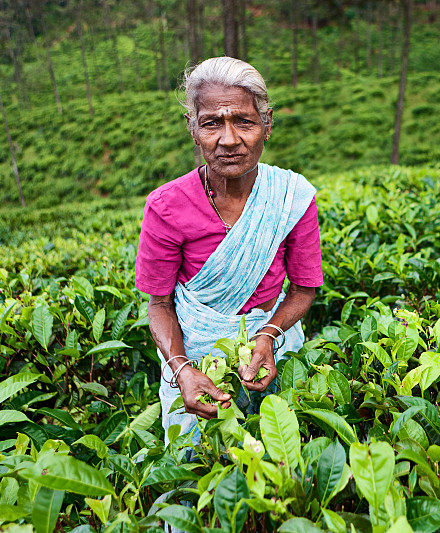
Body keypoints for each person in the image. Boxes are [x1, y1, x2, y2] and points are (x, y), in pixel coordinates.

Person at [134, 56, 323, 447]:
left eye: (244, 121)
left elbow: (304, 289)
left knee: (284, 457)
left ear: (266, 126)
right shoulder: (165, 206)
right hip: (195, 358)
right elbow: (159, 305)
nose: (229, 139)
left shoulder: (291, 197)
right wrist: (183, 370)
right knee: (194, 466)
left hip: (274, 348)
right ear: (192, 129)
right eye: (211, 123)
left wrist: (269, 335)